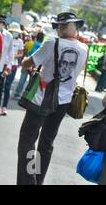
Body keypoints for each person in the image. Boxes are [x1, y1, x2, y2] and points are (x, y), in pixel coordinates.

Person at [17, 12, 88, 185]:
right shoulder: (84, 48)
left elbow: (29, 62)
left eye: (60, 26)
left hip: (42, 97)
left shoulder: (52, 42)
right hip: (64, 101)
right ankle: (37, 180)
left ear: (68, 27)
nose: (58, 29)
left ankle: (28, 181)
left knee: (27, 139)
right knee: (46, 143)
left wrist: (25, 61)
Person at [0, 22, 24, 116]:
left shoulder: (20, 41)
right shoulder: (6, 37)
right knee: (0, 85)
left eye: (16, 31)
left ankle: (4, 107)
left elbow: (21, 53)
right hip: (3, 64)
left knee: (7, 86)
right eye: (13, 31)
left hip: (13, 65)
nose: (14, 33)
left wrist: (13, 56)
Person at [0, 17, 13, 117]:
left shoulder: (8, 36)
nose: (0, 25)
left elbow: (10, 52)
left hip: (3, 65)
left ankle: (4, 106)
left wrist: (8, 66)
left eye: (1, 23)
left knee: (5, 86)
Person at [14, 32, 45, 100]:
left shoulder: (30, 43)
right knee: (31, 82)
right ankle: (26, 96)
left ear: (36, 37)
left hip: (26, 63)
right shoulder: (42, 46)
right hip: (35, 66)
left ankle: (17, 93)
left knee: (22, 80)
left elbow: (25, 51)